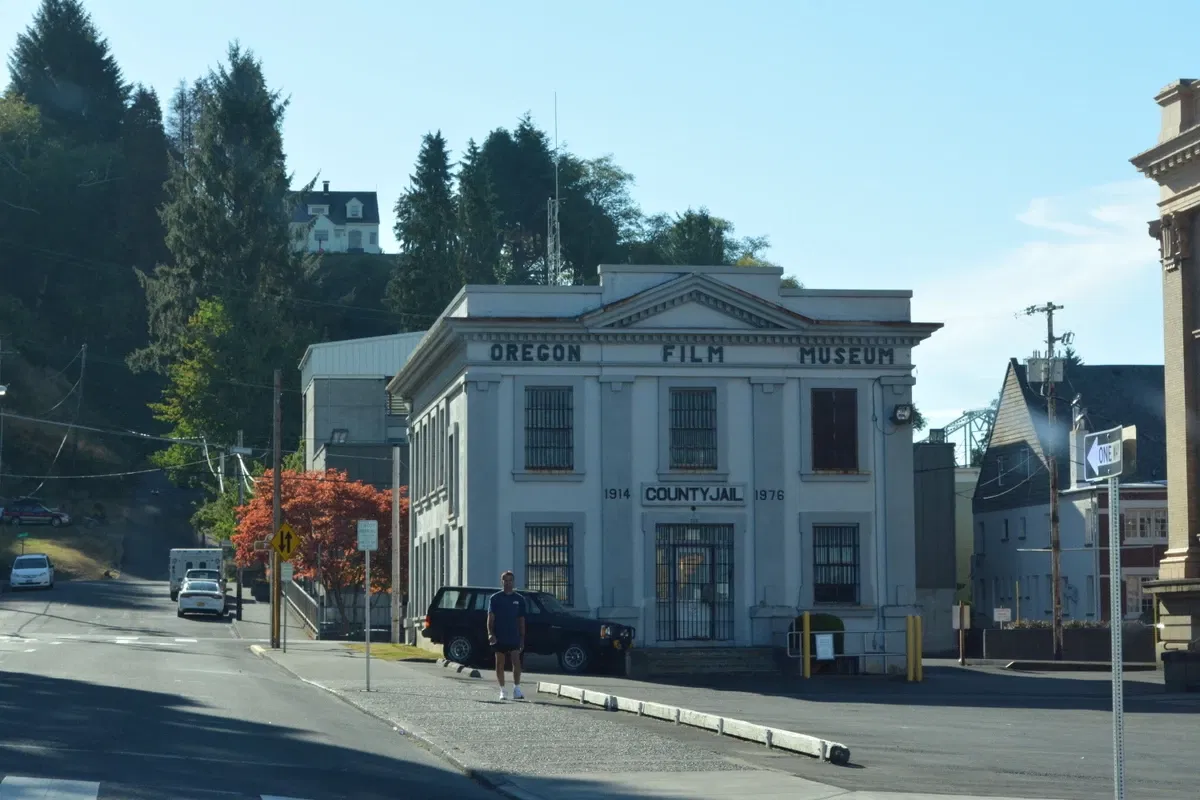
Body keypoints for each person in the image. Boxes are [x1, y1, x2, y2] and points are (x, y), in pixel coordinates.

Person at [487, 570, 526, 700]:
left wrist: (522, 638)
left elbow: (521, 620)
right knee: (500, 663)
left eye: (510, 581)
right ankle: (503, 690)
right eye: (506, 581)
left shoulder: (519, 599)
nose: (508, 583)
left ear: (513, 582)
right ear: (502, 582)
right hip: (499, 635)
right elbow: (490, 618)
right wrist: (490, 633)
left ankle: (517, 688)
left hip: (513, 635)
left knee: (516, 661)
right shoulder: (495, 598)